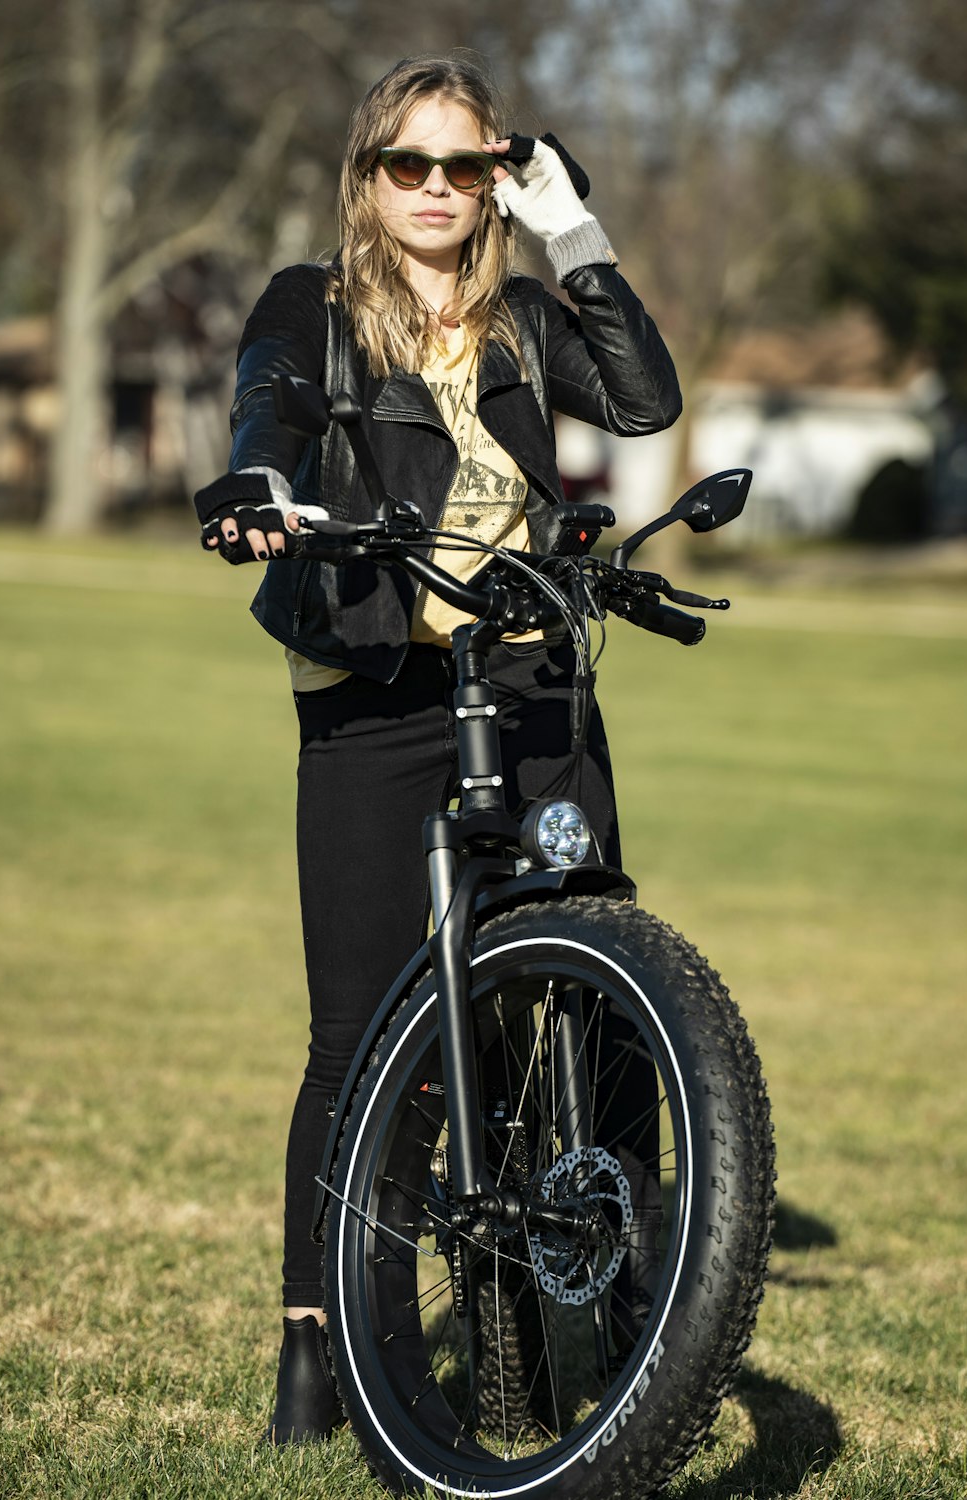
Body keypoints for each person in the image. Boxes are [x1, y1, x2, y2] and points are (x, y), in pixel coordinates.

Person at [193, 52, 682, 1444]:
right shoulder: (318, 305)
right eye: (406, 165)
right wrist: (256, 481)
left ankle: (641, 1289)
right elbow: (270, 403)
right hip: (371, 690)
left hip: (526, 682)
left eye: (463, 167)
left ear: (492, 182)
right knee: (357, 1036)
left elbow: (643, 403)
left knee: (601, 988)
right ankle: (324, 1341)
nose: (433, 190)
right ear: (368, 177)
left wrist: (570, 225)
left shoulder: (525, 313)